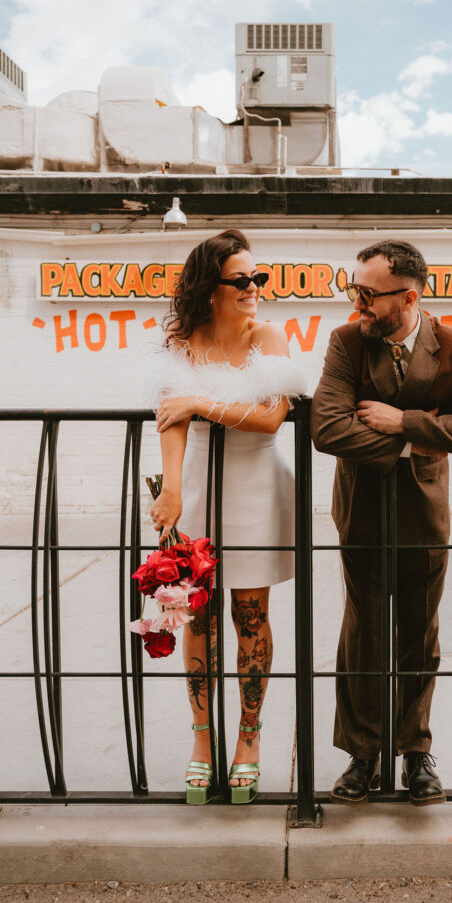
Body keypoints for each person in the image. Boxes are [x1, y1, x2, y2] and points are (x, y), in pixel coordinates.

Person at [311, 239, 452, 806]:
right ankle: (362, 755)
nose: (357, 304)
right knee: (364, 630)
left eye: (367, 294)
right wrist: (415, 440)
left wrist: (404, 421)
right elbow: (325, 428)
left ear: (408, 296)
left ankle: (416, 751)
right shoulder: (346, 343)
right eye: (354, 291)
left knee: (419, 633)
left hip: (423, 516)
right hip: (362, 511)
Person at [149, 229, 306, 805]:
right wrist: (171, 491)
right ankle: (201, 741)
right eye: (241, 280)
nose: (254, 288)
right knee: (197, 615)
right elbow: (171, 418)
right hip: (198, 488)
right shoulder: (183, 341)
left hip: (256, 485)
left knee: (250, 616)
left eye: (258, 277)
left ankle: (248, 738)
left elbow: (270, 418)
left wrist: (200, 401)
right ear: (208, 288)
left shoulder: (268, 334)